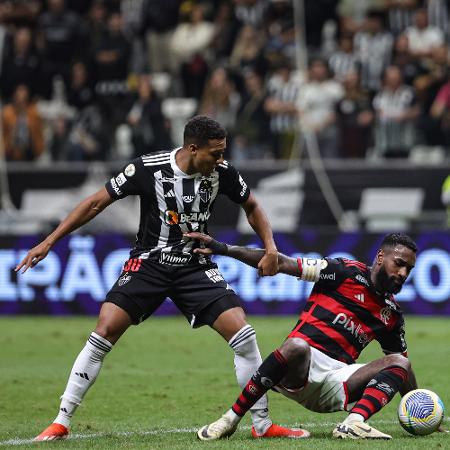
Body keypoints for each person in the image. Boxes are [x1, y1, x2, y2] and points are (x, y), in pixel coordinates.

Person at [15, 115, 301, 441]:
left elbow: (251, 205)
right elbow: (96, 203)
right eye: (215, 153)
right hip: (149, 264)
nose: (221, 160)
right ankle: (61, 421)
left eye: (223, 153)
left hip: (195, 265)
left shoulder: (222, 173)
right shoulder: (147, 169)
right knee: (104, 330)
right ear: (193, 148)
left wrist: (270, 247)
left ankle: (262, 425)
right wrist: (49, 241)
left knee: (244, 334)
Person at [185, 231, 421, 440]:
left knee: (399, 361)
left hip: (337, 381)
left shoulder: (391, 314)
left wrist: (419, 409)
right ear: (380, 257)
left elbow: (403, 369)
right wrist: (223, 249)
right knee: (297, 345)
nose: (402, 273)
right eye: (399, 264)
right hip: (297, 370)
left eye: (408, 269)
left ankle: (353, 424)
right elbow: (281, 262)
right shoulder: (342, 271)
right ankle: (229, 420)